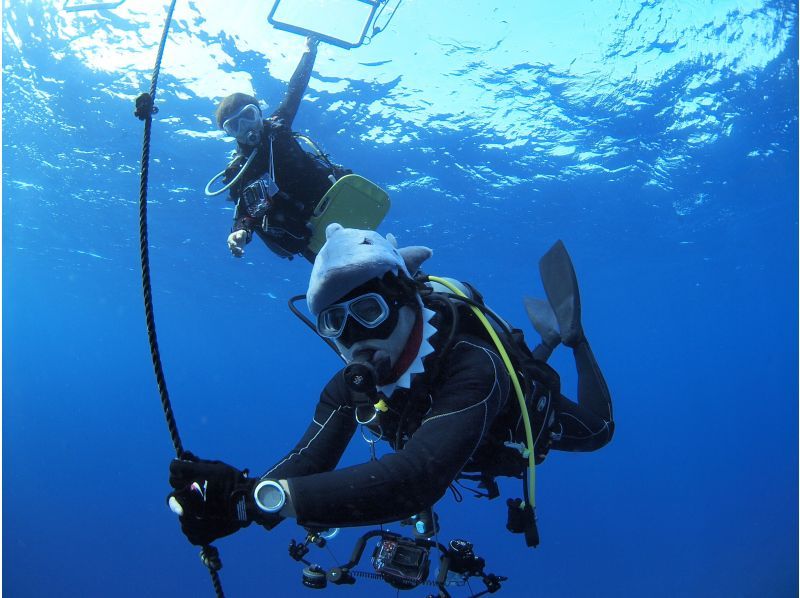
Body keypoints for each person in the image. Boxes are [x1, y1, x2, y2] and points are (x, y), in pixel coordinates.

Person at [167, 224, 614, 548]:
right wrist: (239, 498)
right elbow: (308, 460)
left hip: (515, 424)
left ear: (407, 302)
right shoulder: (349, 387)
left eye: (369, 311)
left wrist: (262, 502)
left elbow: (416, 478)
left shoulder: (474, 365)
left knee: (599, 432)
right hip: (461, 435)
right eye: (335, 323)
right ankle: (545, 341)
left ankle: (572, 337)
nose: (355, 337)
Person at [213, 37, 351, 262]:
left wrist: (309, 52)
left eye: (248, 116)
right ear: (231, 134)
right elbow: (245, 213)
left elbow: (294, 91)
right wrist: (240, 232)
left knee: (374, 256)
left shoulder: (279, 126)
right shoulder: (240, 171)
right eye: (235, 126)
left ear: (259, 113)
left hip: (329, 200)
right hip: (306, 232)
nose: (246, 127)